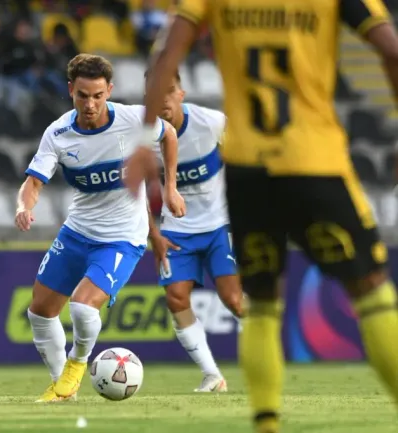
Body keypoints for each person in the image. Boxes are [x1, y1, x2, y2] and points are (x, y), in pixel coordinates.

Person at [131, 1, 398, 432]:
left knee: (262, 305)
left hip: (249, 172)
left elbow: (167, 54)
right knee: (370, 291)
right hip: (316, 162)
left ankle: (266, 423)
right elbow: (391, 51)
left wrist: (144, 140)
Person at [15, 53, 185, 403]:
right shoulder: (58, 133)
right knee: (40, 312)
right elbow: (34, 182)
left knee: (81, 307)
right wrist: (23, 206)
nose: (90, 104)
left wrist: (171, 187)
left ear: (109, 90)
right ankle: (63, 388)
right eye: (82, 96)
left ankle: (77, 364)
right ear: (70, 91)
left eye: (97, 95)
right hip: (77, 231)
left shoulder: (133, 119)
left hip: (122, 237)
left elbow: (168, 134)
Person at [146, 69, 243, 393]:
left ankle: (265, 350)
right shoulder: (142, 138)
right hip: (177, 228)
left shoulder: (212, 123)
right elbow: (131, 191)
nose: (163, 101)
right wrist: (154, 233)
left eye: (168, 91)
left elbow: (244, 158)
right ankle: (212, 375)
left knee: (233, 299)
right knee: (176, 298)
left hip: (221, 222)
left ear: (181, 93)